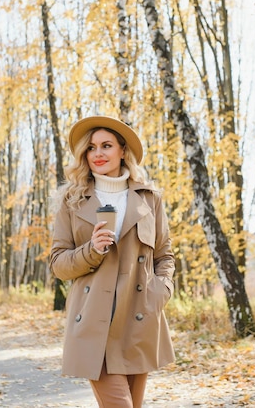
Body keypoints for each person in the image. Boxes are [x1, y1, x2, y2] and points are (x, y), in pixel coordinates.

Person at [50, 115, 175, 408]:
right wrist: (91, 250)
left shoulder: (149, 199)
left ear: (122, 150)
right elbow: (58, 264)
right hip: (95, 321)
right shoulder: (72, 200)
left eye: (106, 145)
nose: (98, 154)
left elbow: (164, 254)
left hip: (139, 318)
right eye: (91, 148)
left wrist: (160, 292)